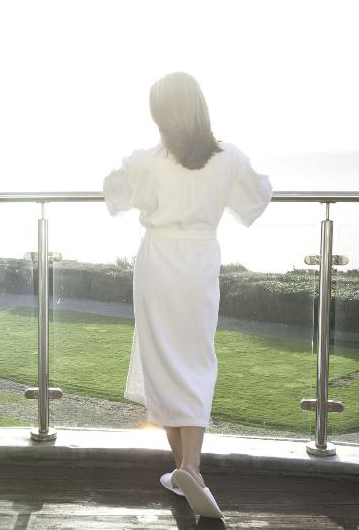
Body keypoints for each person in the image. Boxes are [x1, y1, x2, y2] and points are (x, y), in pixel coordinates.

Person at [103, 72, 272, 518]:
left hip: (158, 263)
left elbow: (112, 194)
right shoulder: (229, 157)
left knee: (162, 363)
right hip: (200, 265)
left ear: (160, 115)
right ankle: (189, 469)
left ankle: (186, 470)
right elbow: (257, 199)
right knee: (196, 362)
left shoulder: (148, 161)